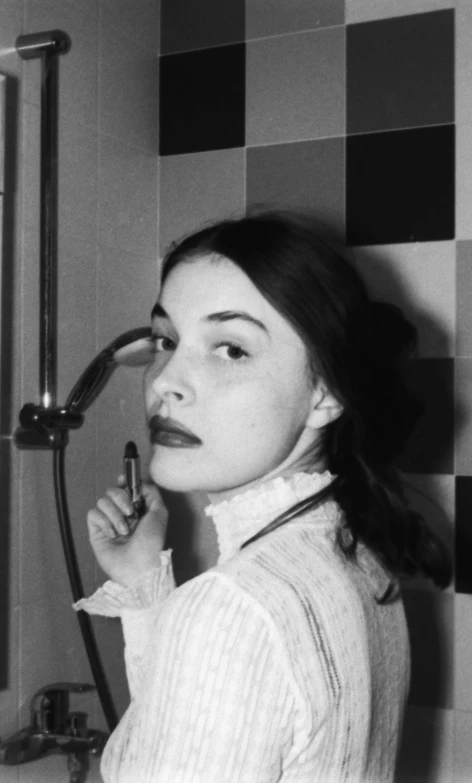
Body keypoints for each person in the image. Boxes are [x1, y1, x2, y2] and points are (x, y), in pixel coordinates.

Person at [75, 210, 452, 783]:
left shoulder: (232, 607)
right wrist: (143, 584)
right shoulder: (357, 559)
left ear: (325, 392)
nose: (163, 380)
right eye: (166, 339)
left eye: (230, 349)